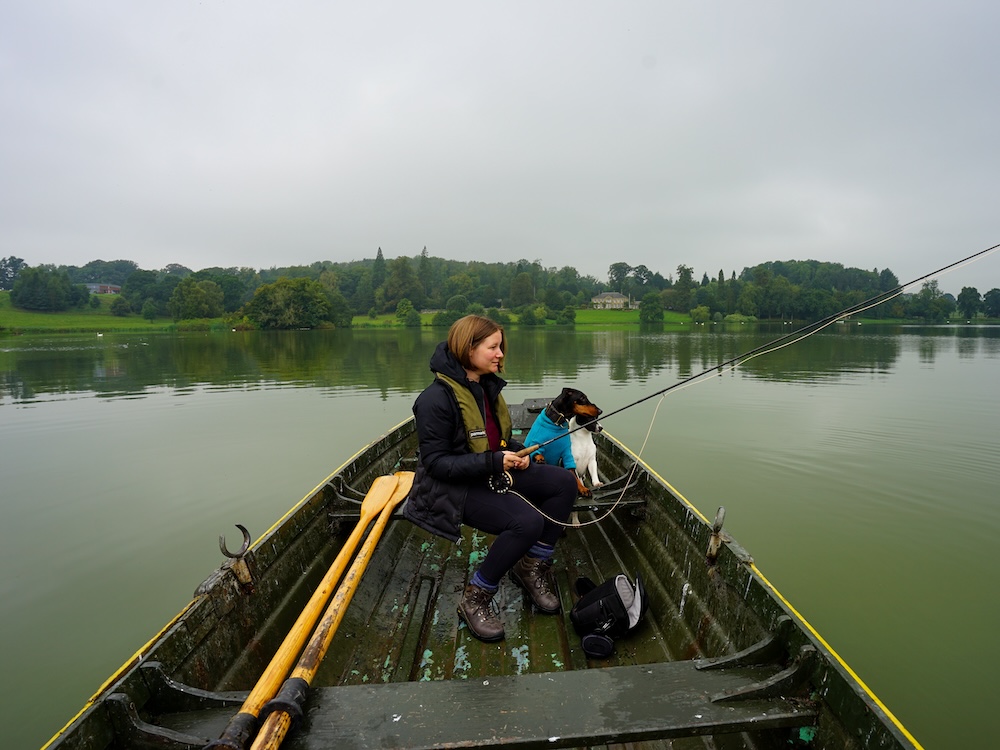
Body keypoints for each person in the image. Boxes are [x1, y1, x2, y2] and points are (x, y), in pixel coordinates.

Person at [404, 314, 578, 642]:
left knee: (563, 483)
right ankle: (475, 598)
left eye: (501, 347)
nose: (501, 354)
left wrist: (514, 453)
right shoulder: (434, 400)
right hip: (449, 489)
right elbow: (437, 464)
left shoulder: (485, 388)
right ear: (468, 349)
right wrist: (496, 460)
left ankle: (530, 567)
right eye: (493, 347)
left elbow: (493, 440)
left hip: (489, 471)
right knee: (527, 521)